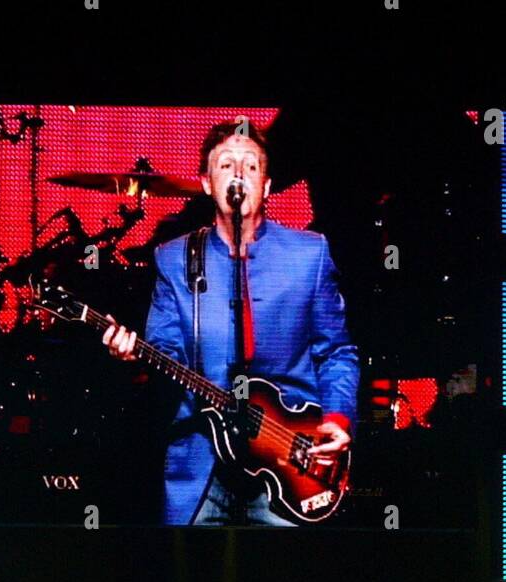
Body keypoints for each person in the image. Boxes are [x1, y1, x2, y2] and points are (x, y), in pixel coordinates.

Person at [103, 119, 359, 525]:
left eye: (251, 166)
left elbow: (336, 351)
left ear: (268, 185)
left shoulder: (309, 254)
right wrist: (135, 354)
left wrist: (337, 418)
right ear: (206, 183)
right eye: (225, 165)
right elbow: (165, 352)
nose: (238, 174)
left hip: (293, 460)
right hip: (202, 468)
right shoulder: (174, 258)